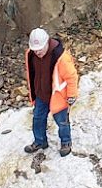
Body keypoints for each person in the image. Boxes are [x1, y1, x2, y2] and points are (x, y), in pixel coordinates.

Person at [23, 28, 79, 157]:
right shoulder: (31, 54)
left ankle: (66, 142)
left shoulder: (61, 57)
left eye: (40, 49)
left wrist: (72, 95)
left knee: (62, 121)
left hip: (58, 97)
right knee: (37, 119)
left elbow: (71, 77)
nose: (37, 52)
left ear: (47, 43)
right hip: (41, 95)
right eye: (35, 49)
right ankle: (40, 141)